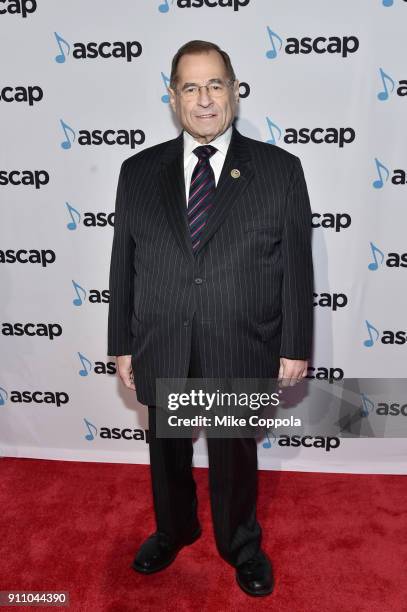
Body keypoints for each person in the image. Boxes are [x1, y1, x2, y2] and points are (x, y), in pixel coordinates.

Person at [107, 40, 314, 597]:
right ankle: (174, 529)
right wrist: (121, 342)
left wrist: (294, 344)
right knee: (166, 448)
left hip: (239, 342)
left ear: (235, 91)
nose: (204, 99)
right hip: (160, 340)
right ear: (174, 97)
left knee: (233, 455)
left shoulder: (280, 170)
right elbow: (123, 262)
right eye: (191, 87)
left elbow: (296, 266)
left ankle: (241, 545)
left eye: (215, 85)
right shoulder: (137, 171)